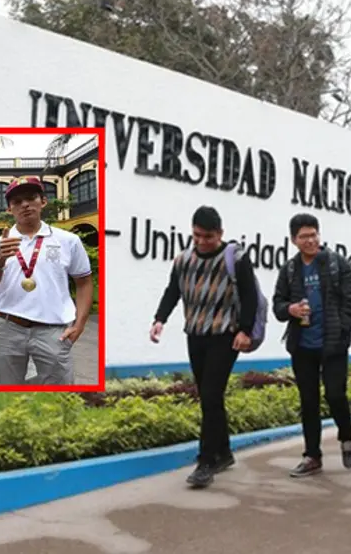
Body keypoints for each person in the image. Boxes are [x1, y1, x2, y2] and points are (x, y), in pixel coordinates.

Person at [150, 205, 257, 489]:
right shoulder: (183, 259)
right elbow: (173, 290)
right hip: (195, 334)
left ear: (220, 233)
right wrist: (159, 319)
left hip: (226, 335)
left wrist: (245, 330)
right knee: (210, 397)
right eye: (197, 235)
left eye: (208, 236)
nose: (201, 241)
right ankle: (223, 452)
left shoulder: (236, 258)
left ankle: (205, 462)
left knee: (210, 394)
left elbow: (250, 296)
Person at [272, 213, 351, 478]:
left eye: (314, 234)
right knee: (308, 401)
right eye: (304, 237)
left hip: (333, 344)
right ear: (293, 240)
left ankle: (347, 435)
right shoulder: (290, 270)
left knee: (335, 395)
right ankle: (312, 456)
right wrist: (291, 309)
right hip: (303, 346)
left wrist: (342, 328)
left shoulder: (337, 263)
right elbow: (278, 305)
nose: (310, 240)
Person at [0, 177, 93, 385]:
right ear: (9, 209)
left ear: (43, 201)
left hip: (53, 329)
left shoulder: (67, 241)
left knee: (60, 394)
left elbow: (84, 282)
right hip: (9, 328)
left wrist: (79, 324)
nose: (25, 205)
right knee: (10, 392)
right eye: (17, 202)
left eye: (30, 198)